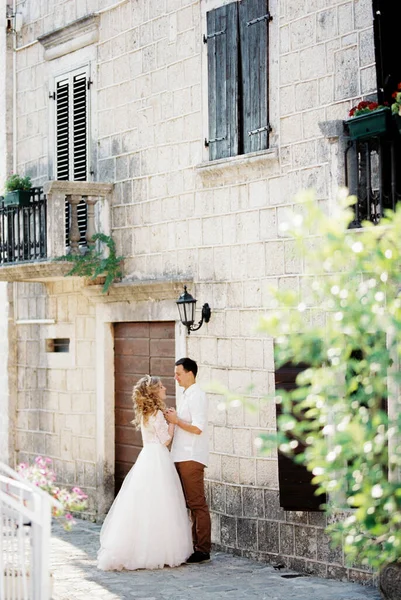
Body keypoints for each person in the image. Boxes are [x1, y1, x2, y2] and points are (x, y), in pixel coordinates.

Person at [97, 375, 192, 571]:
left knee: (144, 502)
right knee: (161, 502)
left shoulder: (145, 413)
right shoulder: (157, 413)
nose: (165, 388)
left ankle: (140, 548)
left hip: (147, 456)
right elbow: (165, 440)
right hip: (158, 457)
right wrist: (173, 422)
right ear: (155, 392)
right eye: (161, 387)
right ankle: (159, 550)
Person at [165, 357, 211, 563]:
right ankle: (193, 545)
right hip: (180, 455)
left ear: (190, 373)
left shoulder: (197, 396)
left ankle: (202, 549)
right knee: (187, 504)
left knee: (197, 504)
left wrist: (177, 420)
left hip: (191, 456)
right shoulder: (186, 395)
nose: (175, 377)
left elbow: (198, 428)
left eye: (179, 373)